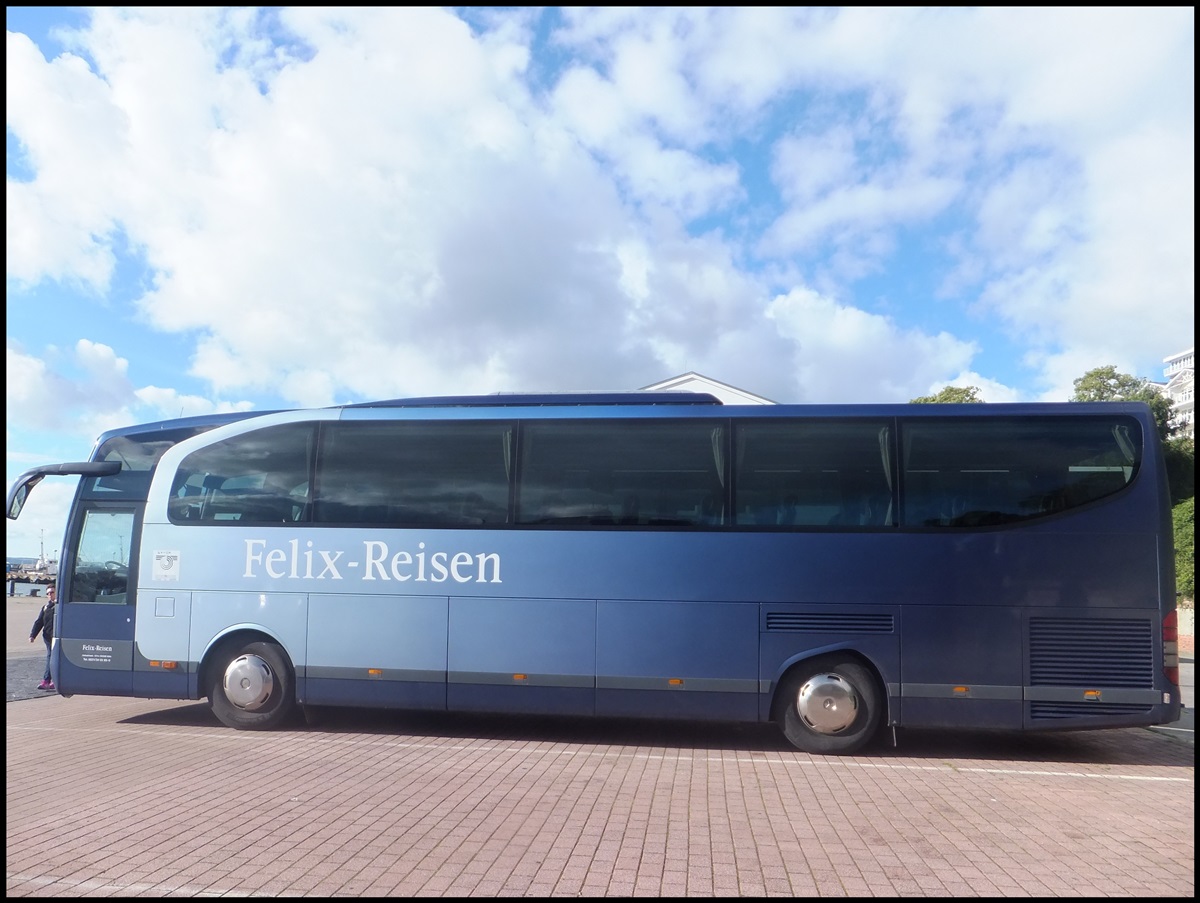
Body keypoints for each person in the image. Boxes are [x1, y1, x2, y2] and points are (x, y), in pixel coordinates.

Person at [29, 585, 57, 690]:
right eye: (48, 593)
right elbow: (39, 622)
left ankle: (51, 680)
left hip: (57, 636)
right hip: (47, 636)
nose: (50, 595)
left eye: (52, 592)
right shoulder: (46, 607)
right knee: (51, 657)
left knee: (53, 658)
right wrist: (32, 635)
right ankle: (47, 680)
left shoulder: (59, 606)